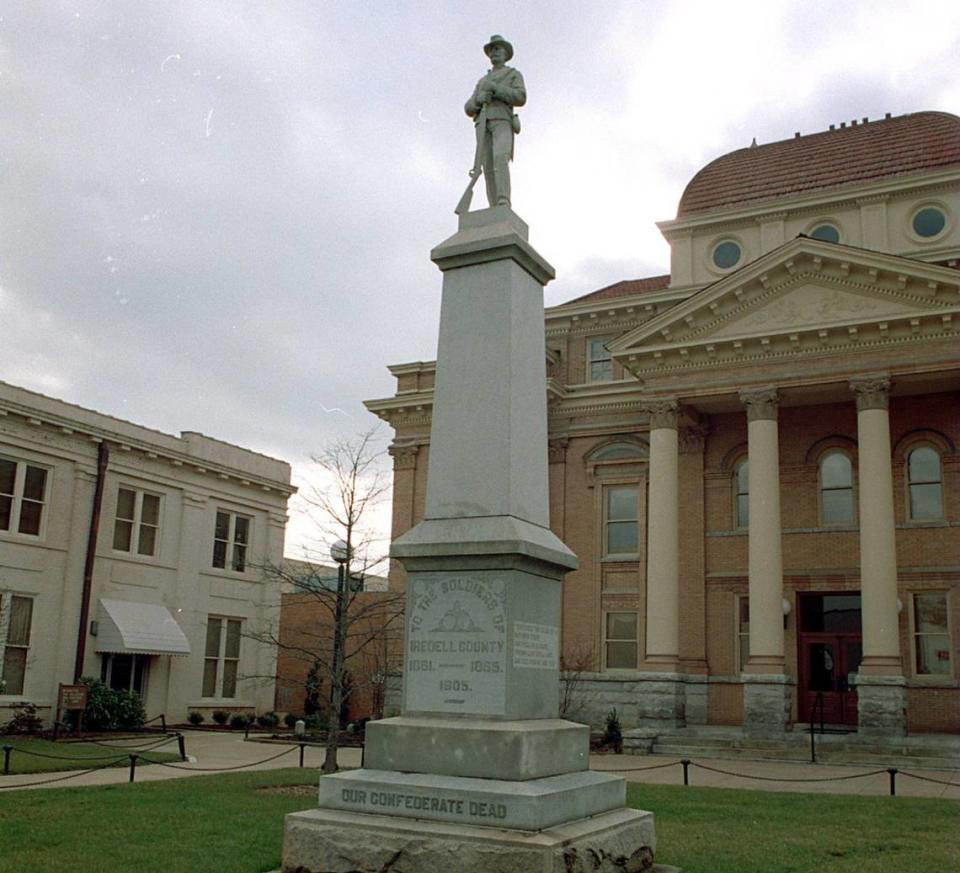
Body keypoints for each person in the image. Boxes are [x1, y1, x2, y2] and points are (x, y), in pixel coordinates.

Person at [464, 35, 525, 208]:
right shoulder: (482, 81)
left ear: (506, 53)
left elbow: (520, 97)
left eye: (497, 49)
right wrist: (478, 100)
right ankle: (494, 206)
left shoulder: (513, 74)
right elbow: (468, 107)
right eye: (491, 50)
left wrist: (496, 89)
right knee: (487, 165)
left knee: (500, 158)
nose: (494, 53)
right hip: (482, 123)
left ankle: (503, 200)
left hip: (502, 120)